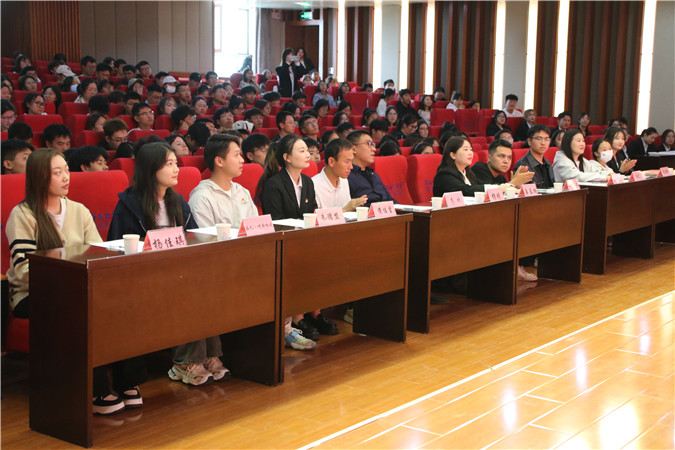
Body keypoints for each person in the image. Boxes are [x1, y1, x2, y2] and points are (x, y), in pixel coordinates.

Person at [7, 148, 146, 415]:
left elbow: (97, 254)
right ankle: (96, 389)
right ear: (38, 176)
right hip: (34, 293)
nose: (65, 177)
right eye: (57, 172)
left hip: (78, 287)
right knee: (81, 309)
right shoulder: (23, 215)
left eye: (66, 170)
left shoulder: (79, 210)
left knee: (122, 301)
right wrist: (69, 273)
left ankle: (127, 381)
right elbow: (24, 270)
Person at [257, 135, 322, 350]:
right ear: (287, 157)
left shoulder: (308, 182)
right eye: (301, 151)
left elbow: (312, 214)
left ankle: (303, 318)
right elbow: (277, 223)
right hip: (282, 246)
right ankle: (288, 327)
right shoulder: (274, 184)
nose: (308, 154)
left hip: (303, 243)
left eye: (307, 150)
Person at [312, 137, 367, 213]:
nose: (351, 167)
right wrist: (345, 209)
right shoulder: (313, 185)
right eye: (347, 162)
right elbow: (314, 216)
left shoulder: (344, 180)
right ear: (331, 162)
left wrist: (355, 206)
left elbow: (348, 213)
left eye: (351, 162)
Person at [347, 130, 396, 205]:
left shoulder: (374, 175)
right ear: (354, 149)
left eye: (373, 144)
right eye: (369, 144)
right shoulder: (346, 176)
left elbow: (391, 202)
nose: (374, 149)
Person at [513, 124, 555, 188]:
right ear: (529, 141)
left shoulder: (548, 163)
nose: (543, 143)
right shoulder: (523, 165)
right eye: (539, 139)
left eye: (546, 139)